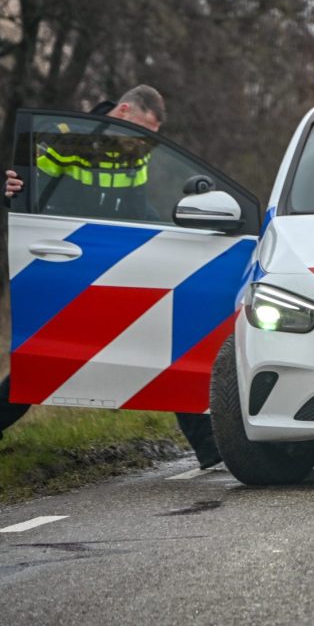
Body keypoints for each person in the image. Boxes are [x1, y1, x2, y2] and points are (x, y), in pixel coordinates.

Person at [1, 86, 222, 468]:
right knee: (43, 361)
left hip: (111, 260)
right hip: (66, 262)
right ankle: (210, 447)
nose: (144, 143)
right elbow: (25, 190)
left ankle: (210, 448)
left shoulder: (133, 152)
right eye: (142, 131)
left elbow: (136, 209)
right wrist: (9, 190)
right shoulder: (65, 138)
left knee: (161, 343)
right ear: (122, 112)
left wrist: (174, 235)